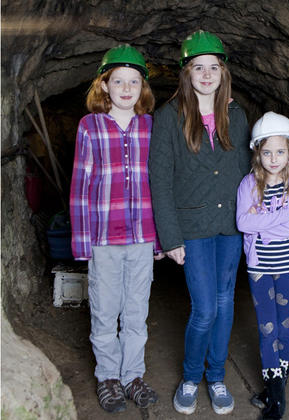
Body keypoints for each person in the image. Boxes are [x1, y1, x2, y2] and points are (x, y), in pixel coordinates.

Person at [148, 30, 251, 416]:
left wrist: (253, 226)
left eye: (213, 67)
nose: (206, 75)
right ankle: (192, 377)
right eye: (198, 68)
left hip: (230, 227)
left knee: (225, 304)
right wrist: (169, 236)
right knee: (205, 308)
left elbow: (247, 173)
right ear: (186, 73)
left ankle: (217, 376)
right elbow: (159, 180)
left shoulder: (237, 115)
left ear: (223, 72)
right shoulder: (168, 116)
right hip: (190, 229)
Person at [69, 44, 162, 413]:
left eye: (134, 81)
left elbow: (159, 183)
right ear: (104, 85)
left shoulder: (150, 125)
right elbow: (80, 185)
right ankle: (108, 376)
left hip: (142, 238)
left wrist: (161, 237)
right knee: (105, 312)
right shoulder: (89, 126)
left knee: (137, 312)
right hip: (104, 238)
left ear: (143, 88)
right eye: (118, 81)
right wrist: (81, 241)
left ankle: (132, 376)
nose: (126, 88)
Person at [236, 112, 289, 419]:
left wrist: (264, 224)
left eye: (280, 151)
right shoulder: (248, 184)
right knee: (267, 329)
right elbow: (243, 222)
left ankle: (280, 371)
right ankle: (276, 400)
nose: (273, 158)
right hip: (260, 268)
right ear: (258, 153)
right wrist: (283, 216)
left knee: (284, 323)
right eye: (267, 152)